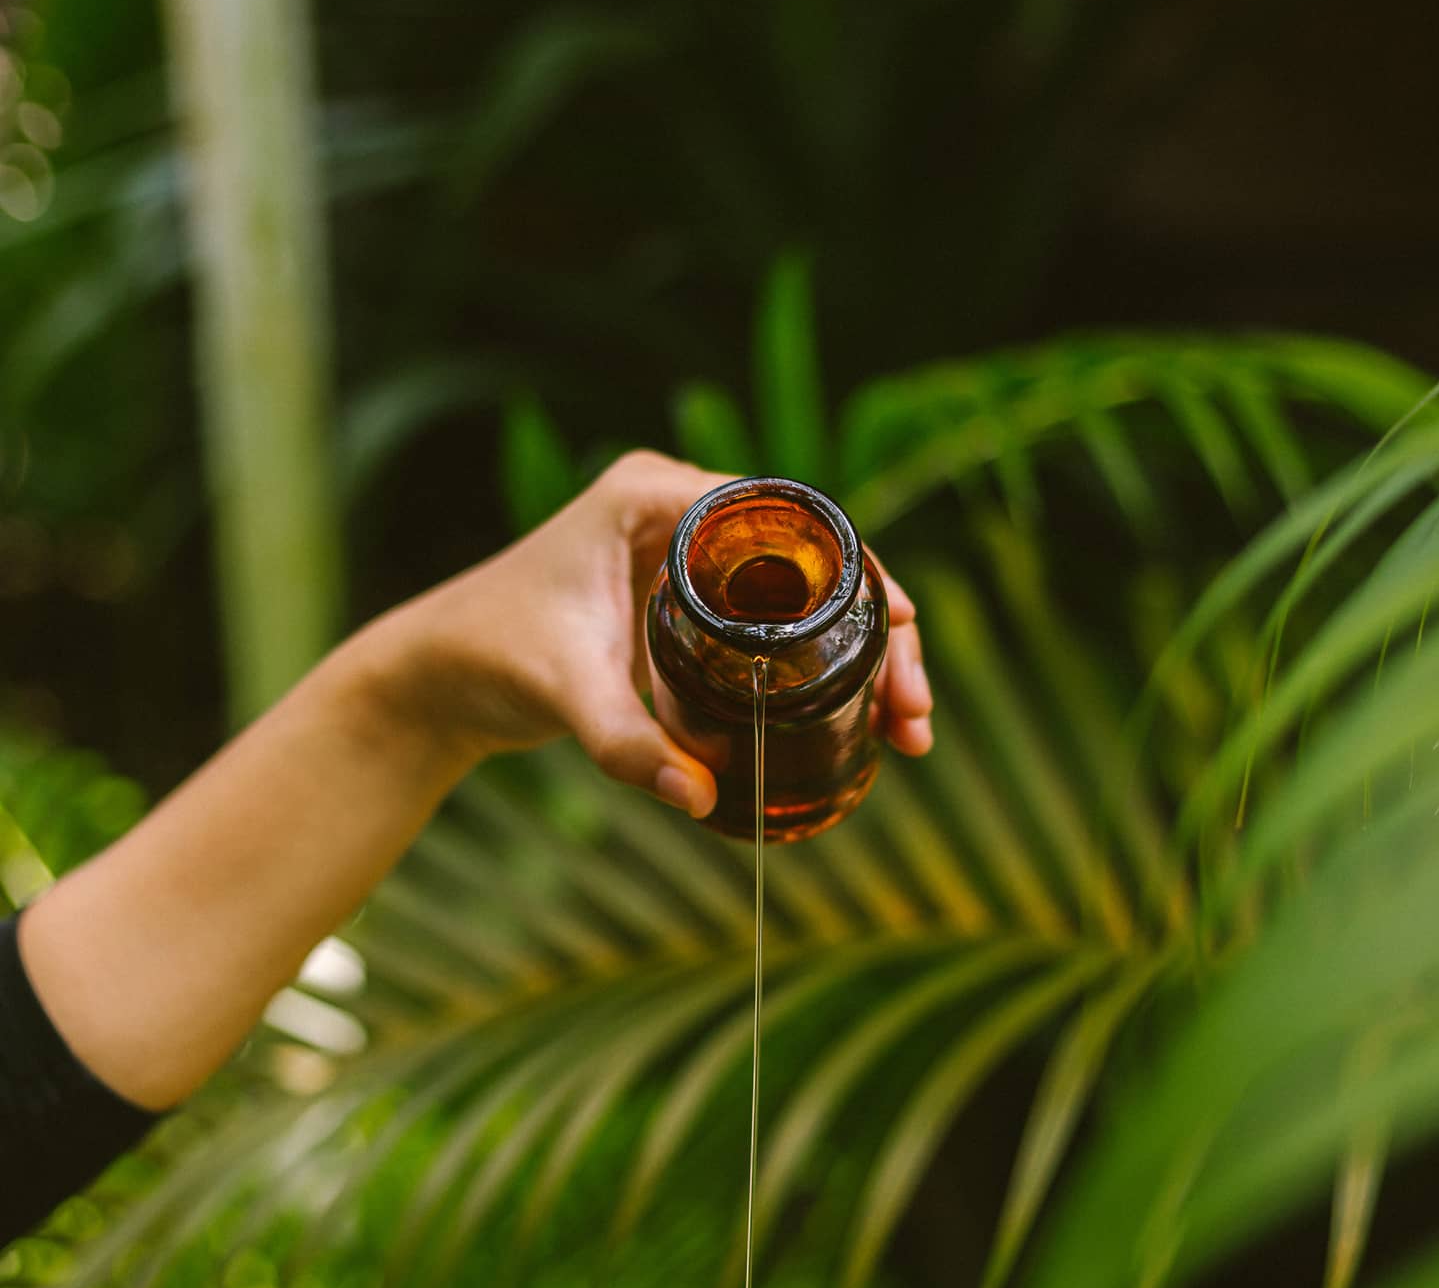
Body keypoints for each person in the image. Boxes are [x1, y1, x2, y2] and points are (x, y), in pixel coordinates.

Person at [0, 452, 934, 1243]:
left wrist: (420, 694)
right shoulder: (694, 632)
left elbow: (24, 1059)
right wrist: (419, 702)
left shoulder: (830, 638)